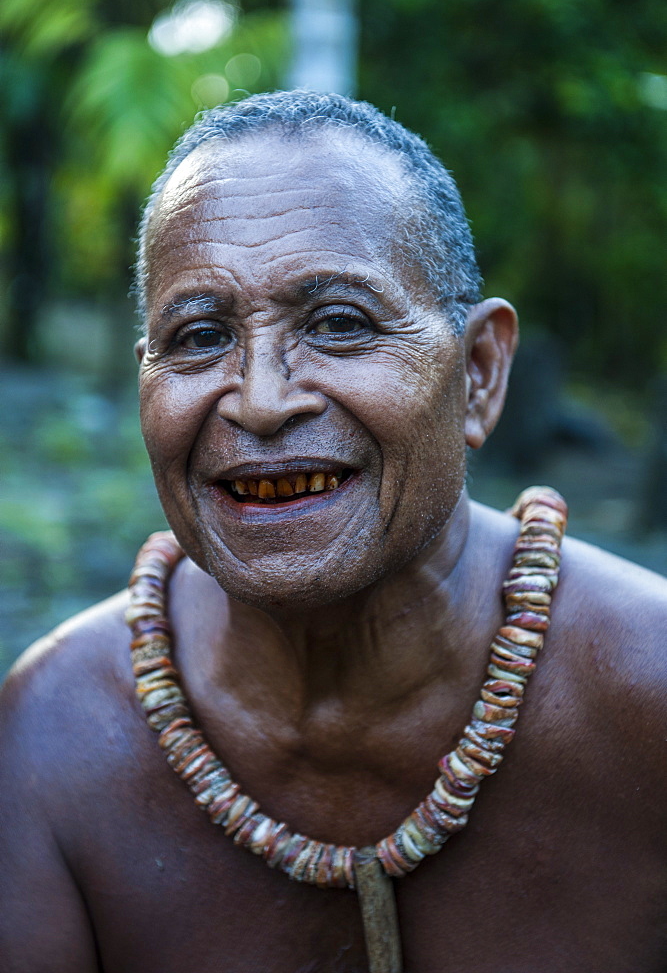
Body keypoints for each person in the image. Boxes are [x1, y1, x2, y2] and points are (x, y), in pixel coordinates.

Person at [1, 90, 665, 973]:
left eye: (338, 325)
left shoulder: (648, 698)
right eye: (198, 337)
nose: (263, 400)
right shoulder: (55, 736)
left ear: (477, 372)